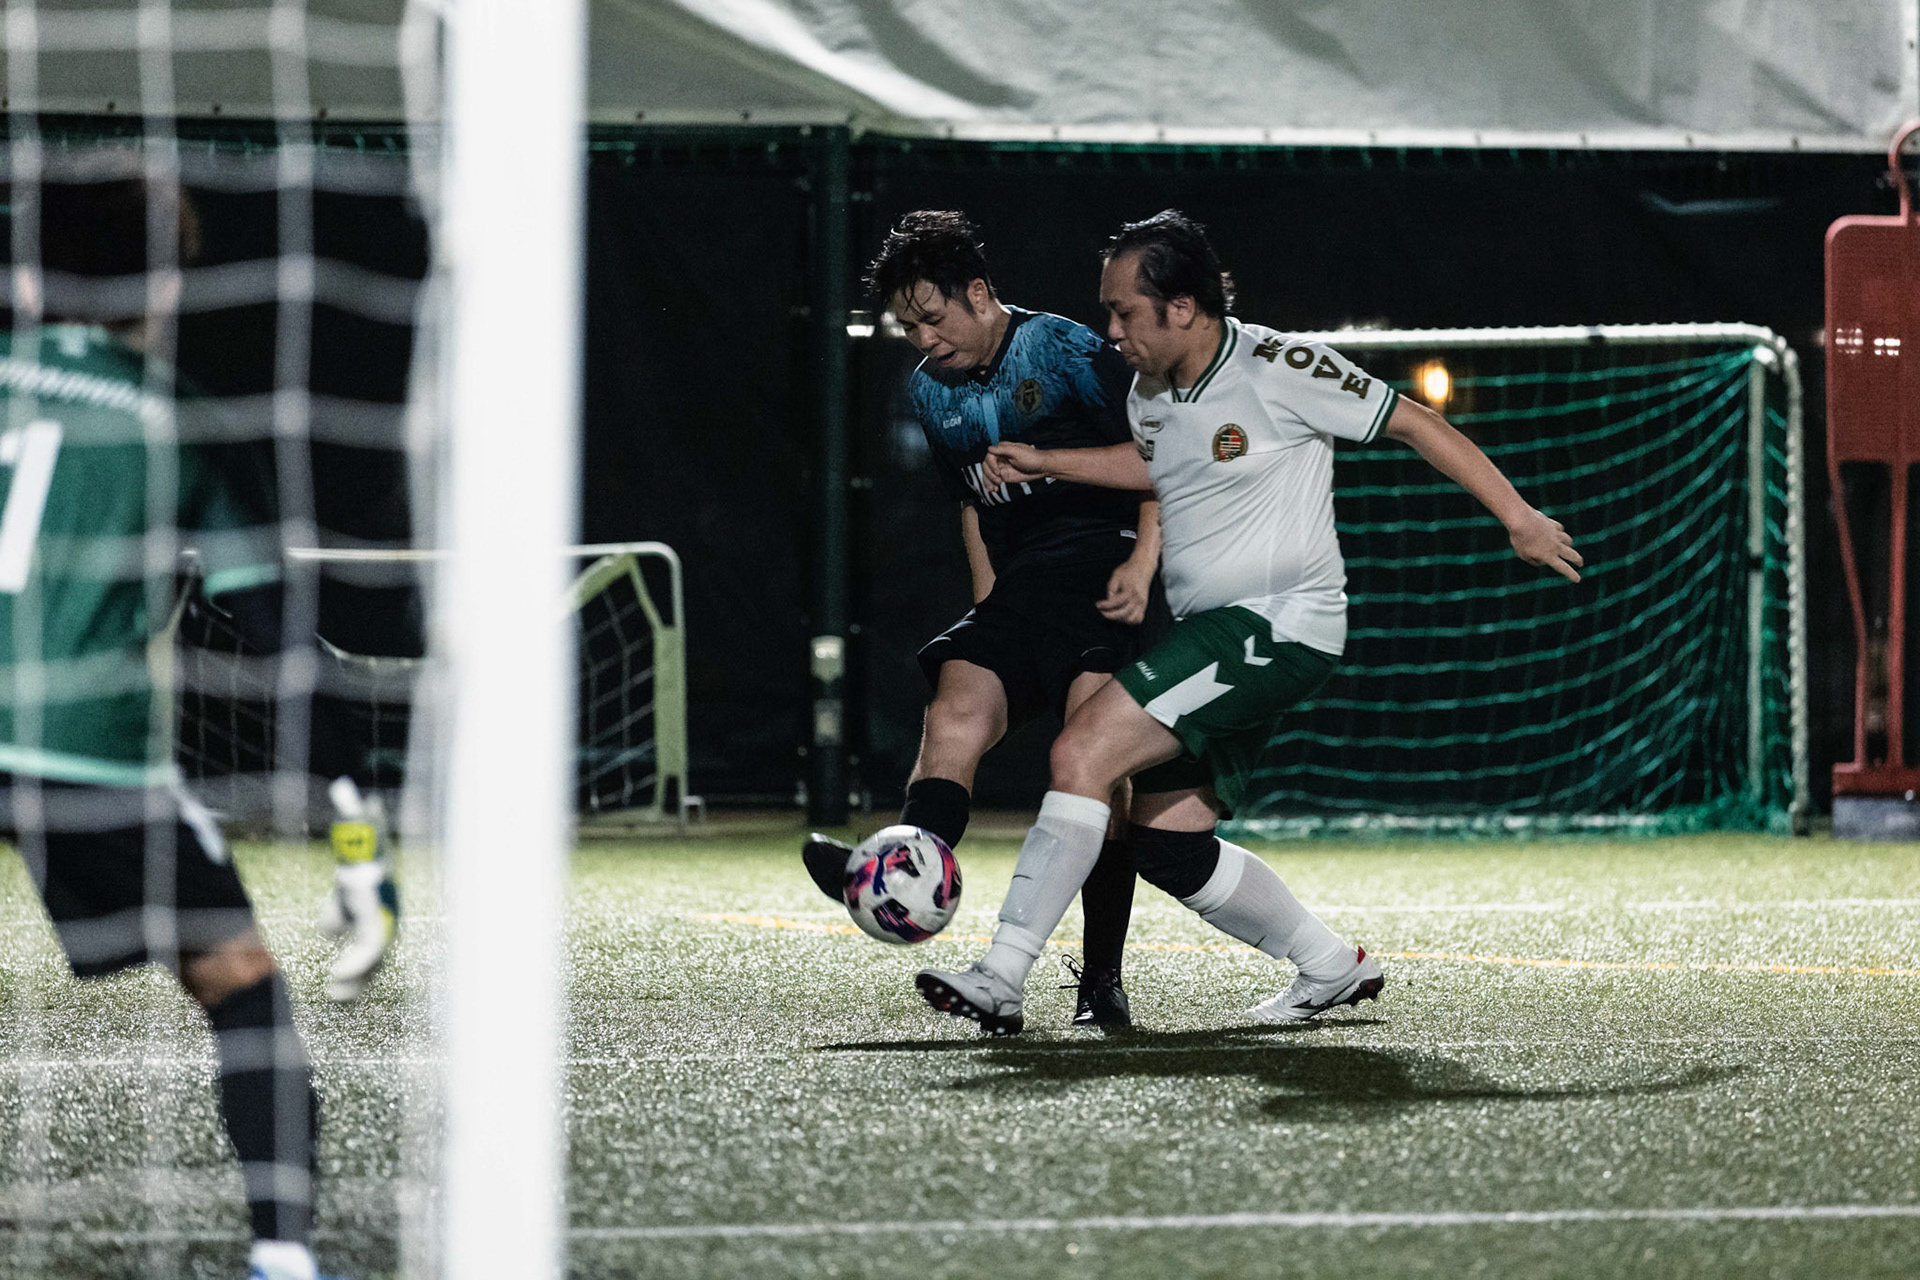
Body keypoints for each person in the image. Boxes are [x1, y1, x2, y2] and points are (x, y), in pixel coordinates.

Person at [916, 210, 1581, 1035]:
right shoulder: (1148, 389)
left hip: (1278, 624)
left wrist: (1516, 517)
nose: (1110, 328)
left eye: (1125, 311)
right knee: (1169, 844)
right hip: (1223, 636)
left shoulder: (1279, 364)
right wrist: (1049, 459)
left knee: (1081, 750)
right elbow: (1156, 461)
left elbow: (1414, 419)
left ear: (1184, 307)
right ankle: (1333, 966)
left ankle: (1002, 974)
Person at [1, 164, 345, 1280]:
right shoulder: (177, 415)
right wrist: (349, 789)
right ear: (162, 282)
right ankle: (282, 1258)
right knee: (240, 976)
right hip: (75, 740)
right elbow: (267, 618)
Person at [802, 211, 1163, 1026]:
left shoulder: (1064, 350)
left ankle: (1100, 981)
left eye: (934, 317)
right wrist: (986, 602)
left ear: (978, 291)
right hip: (1025, 584)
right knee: (953, 709)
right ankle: (894, 869)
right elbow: (974, 504)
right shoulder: (932, 390)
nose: (925, 338)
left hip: (1107, 567)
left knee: (1097, 771)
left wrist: (1143, 567)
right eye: (908, 327)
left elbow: (1157, 463)